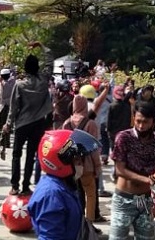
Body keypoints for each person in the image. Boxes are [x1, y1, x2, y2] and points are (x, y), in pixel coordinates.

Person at [28, 129, 102, 240]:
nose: (80, 164)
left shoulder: (64, 185)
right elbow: (50, 237)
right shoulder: (50, 195)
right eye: (76, 159)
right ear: (62, 162)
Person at [109, 101, 155, 240]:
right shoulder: (124, 137)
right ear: (133, 119)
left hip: (145, 201)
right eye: (138, 121)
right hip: (124, 200)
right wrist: (148, 180)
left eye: (145, 122)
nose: (141, 126)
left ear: (153, 122)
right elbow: (120, 170)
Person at [3, 54, 53, 196]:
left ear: (25, 68)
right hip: (38, 123)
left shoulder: (20, 85)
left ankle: (14, 186)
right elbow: (50, 62)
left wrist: (8, 124)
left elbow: (13, 107)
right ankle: (25, 186)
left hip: (22, 124)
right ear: (37, 67)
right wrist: (42, 47)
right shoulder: (43, 82)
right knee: (31, 155)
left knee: (16, 155)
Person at [62, 95, 102, 223]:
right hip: (87, 165)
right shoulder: (91, 124)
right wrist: (98, 167)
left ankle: (76, 221)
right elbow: (94, 149)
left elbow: (64, 145)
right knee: (90, 194)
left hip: (71, 166)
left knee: (76, 193)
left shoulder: (67, 123)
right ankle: (89, 223)